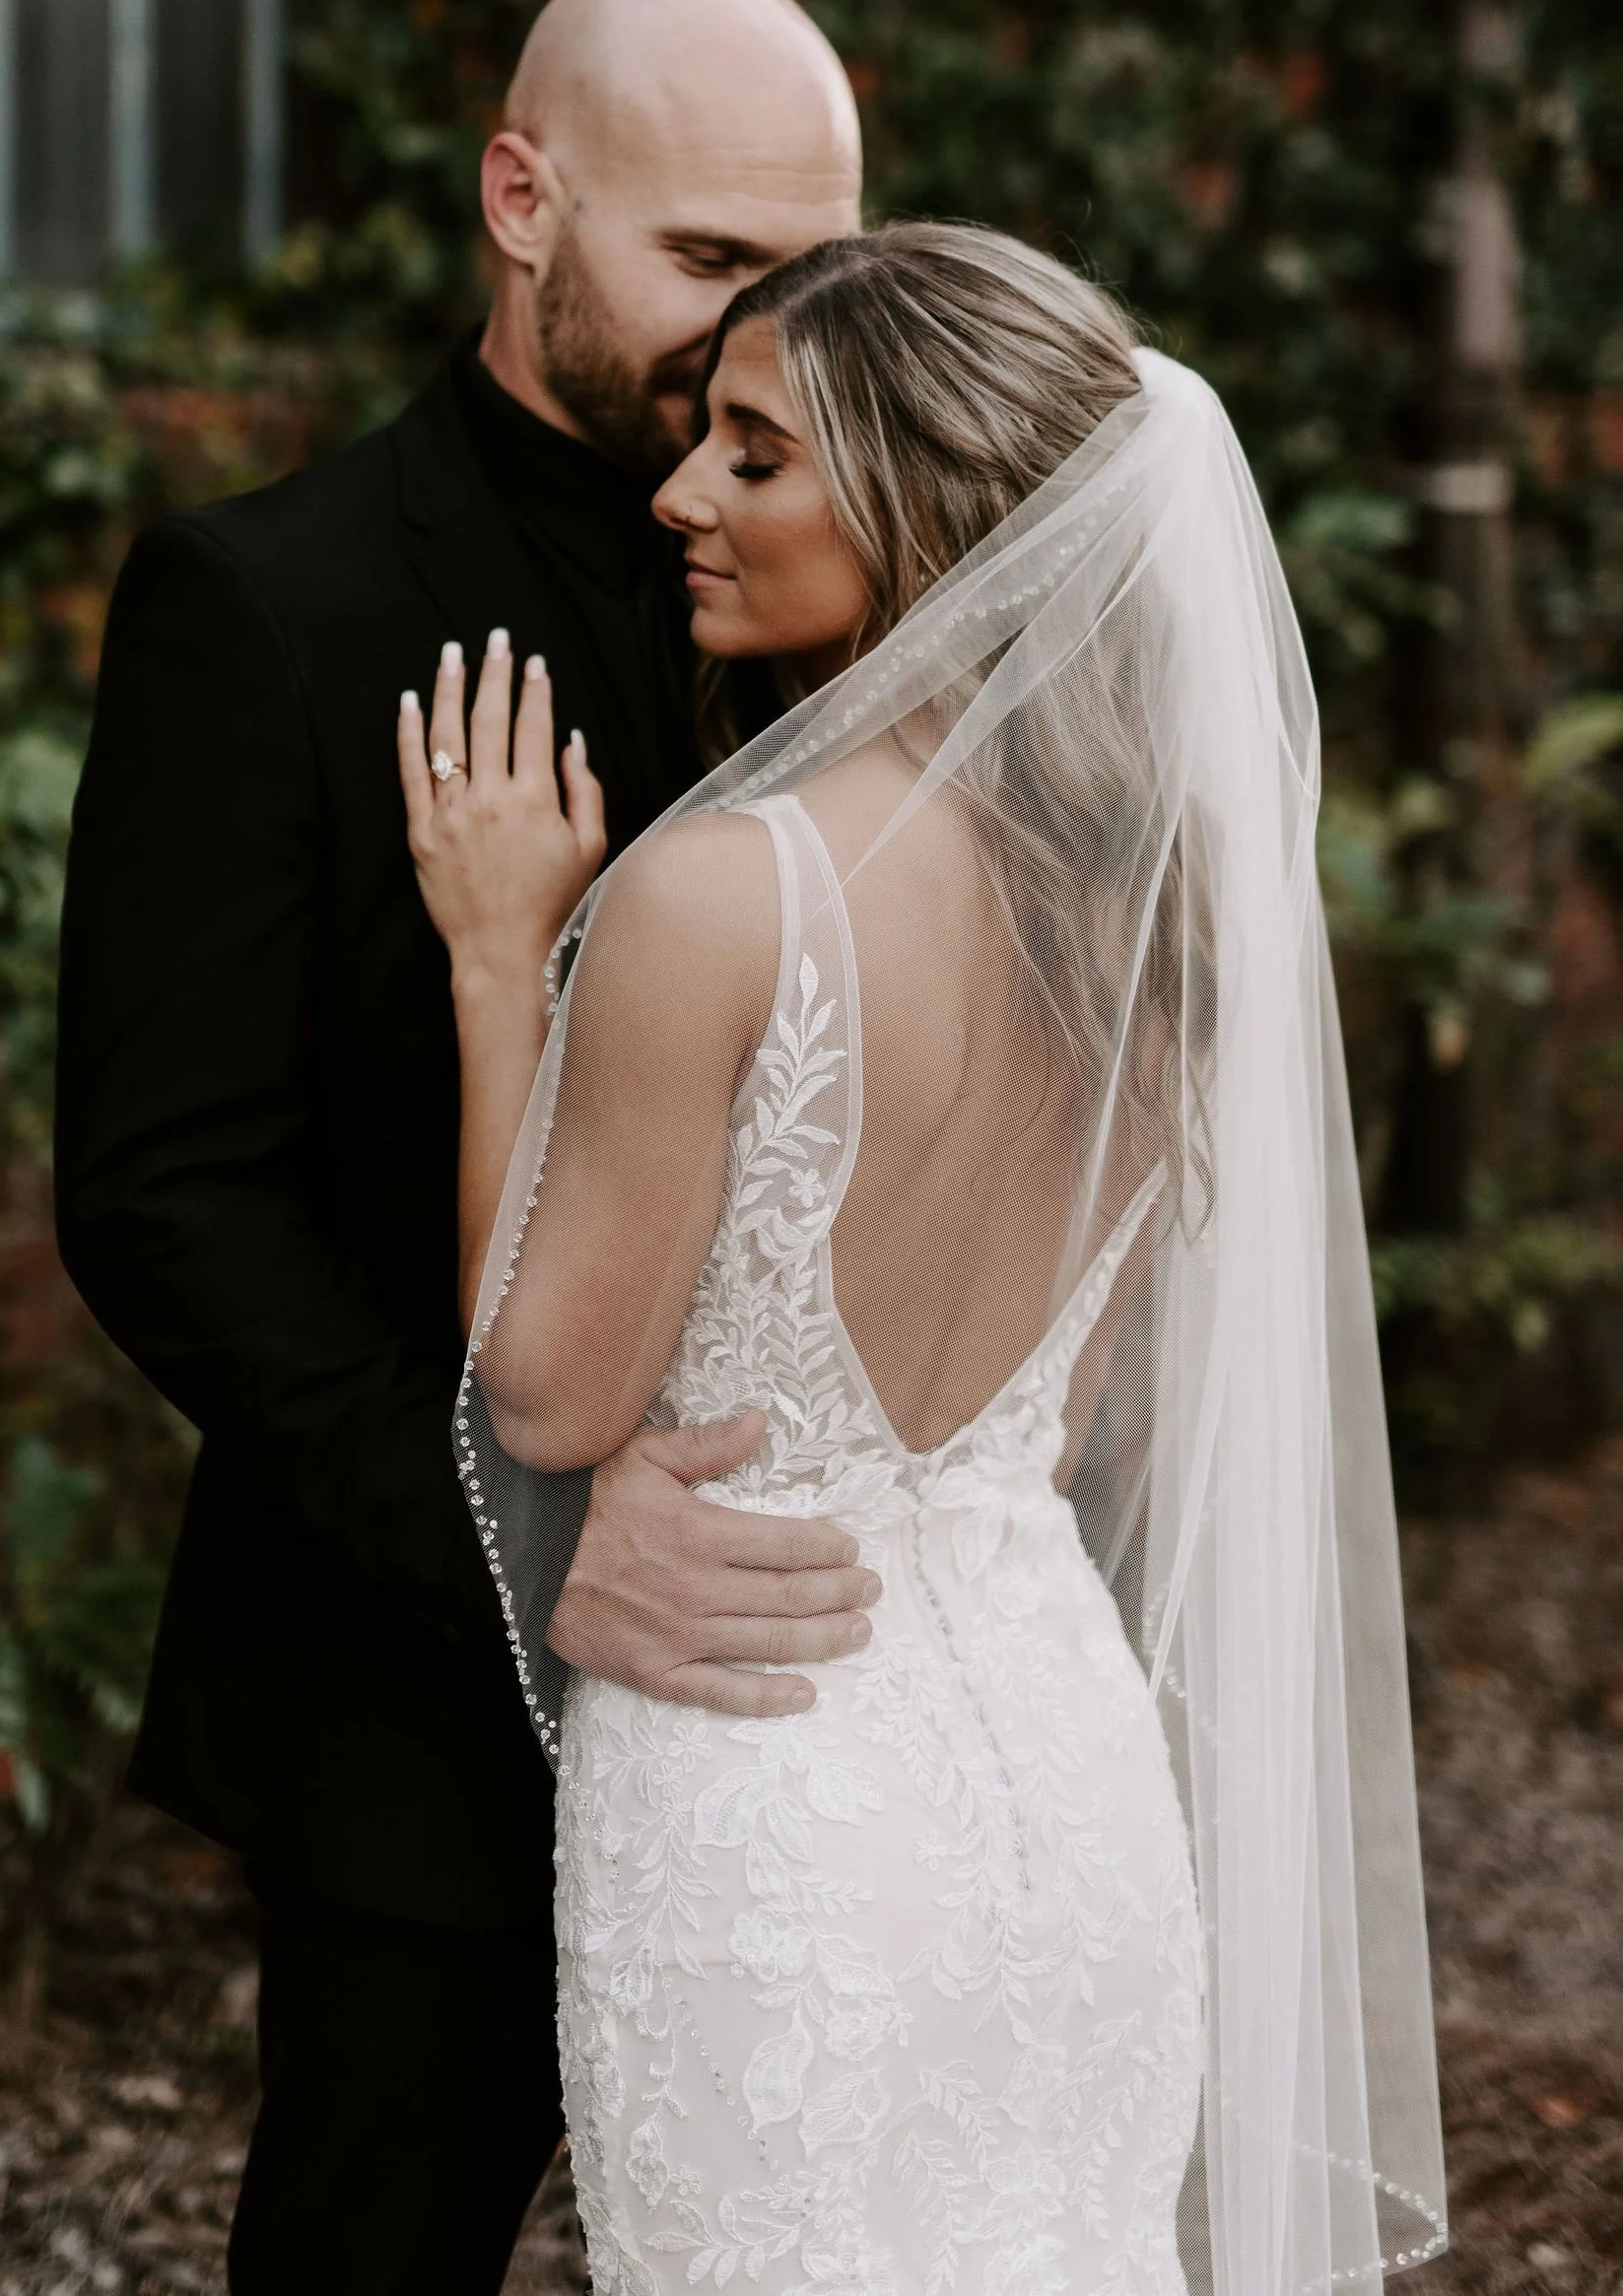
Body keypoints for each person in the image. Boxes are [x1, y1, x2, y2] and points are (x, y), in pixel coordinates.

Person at [404, 224, 1448, 2296]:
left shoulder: (713, 895)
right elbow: (1039, 1425)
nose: (680, 492)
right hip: (1067, 1792)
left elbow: (545, 1391)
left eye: (755, 455)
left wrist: (499, 957)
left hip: (774, 1785)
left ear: (927, 503)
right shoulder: (1152, 924)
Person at [53, 0, 881, 2296]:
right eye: (707, 262)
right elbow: (158, 1191)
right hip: (409, 1705)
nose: (756, 342)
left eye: (806, 276)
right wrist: (513, 1533)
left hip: (814, 1670)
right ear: (522, 198)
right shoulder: (265, 605)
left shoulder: (870, 587)